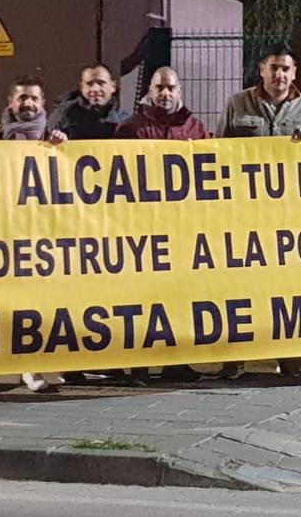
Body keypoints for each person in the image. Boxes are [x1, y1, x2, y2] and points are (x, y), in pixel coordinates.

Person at [217, 45, 301, 379]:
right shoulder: (238, 104)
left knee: (287, 288)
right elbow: (218, 150)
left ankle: (289, 357)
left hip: (290, 218)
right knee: (241, 286)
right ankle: (234, 357)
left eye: (285, 68)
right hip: (245, 214)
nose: (279, 74)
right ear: (261, 70)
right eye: (273, 68)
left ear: (294, 73)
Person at [114, 66, 208, 383]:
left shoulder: (196, 129)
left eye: (171, 88)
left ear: (179, 91)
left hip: (182, 229)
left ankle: (175, 363)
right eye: (159, 88)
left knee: (178, 296)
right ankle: (139, 366)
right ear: (150, 92)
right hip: (142, 229)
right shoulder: (130, 129)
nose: (165, 94)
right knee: (142, 299)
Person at [0, 76, 58, 393]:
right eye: (22, 98)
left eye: (34, 99)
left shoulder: (54, 139)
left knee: (32, 304)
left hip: (38, 234)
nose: (28, 104)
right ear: (10, 102)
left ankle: (31, 369)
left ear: (43, 104)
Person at [47, 63, 129, 141]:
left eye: (101, 83)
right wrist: (57, 138)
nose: (95, 89)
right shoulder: (63, 116)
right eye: (89, 84)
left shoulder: (126, 121)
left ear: (113, 87)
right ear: (82, 88)